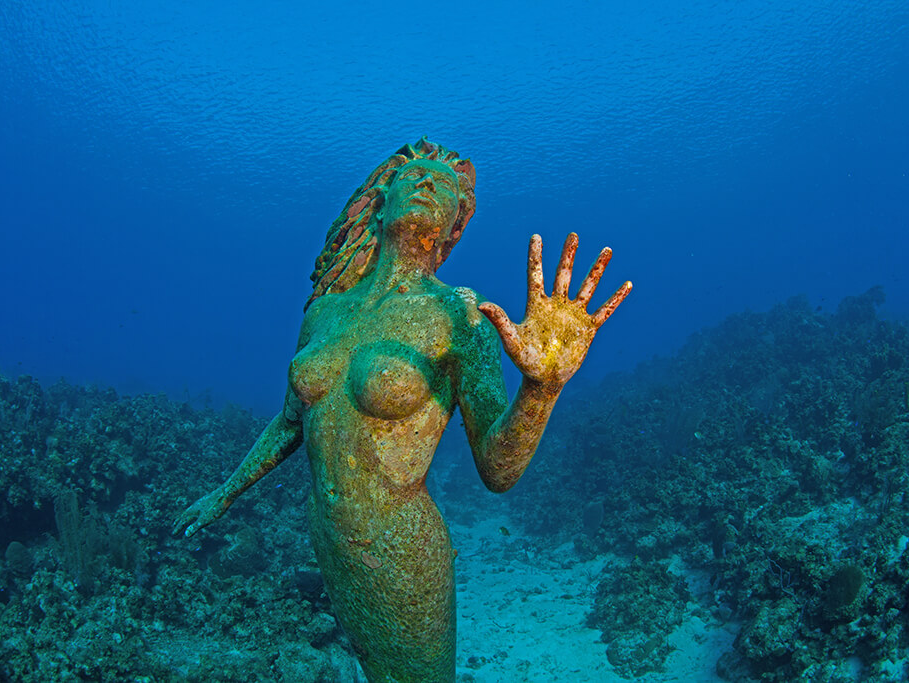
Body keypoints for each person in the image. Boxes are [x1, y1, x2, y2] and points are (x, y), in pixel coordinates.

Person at [174, 138, 631, 682]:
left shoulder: (460, 317)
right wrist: (222, 494)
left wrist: (542, 389)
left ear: (454, 223)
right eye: (414, 173)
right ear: (381, 200)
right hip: (331, 545)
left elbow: (498, 470)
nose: (427, 180)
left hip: (402, 557)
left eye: (443, 183)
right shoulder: (325, 313)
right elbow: (291, 421)